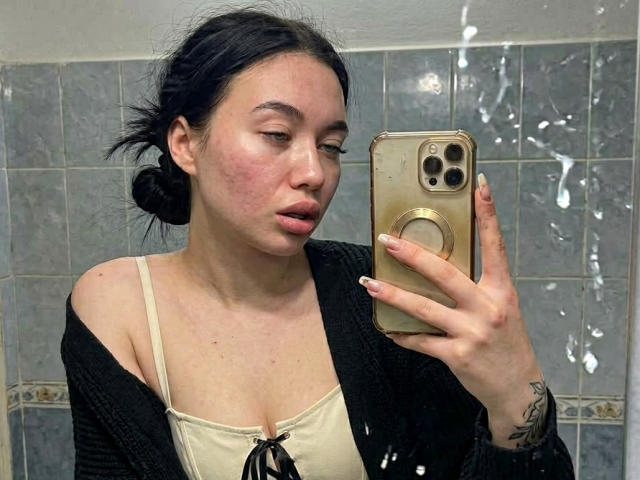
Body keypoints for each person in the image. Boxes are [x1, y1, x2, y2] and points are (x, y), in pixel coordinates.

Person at [60, 7, 575, 480]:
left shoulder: (383, 299)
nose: (315, 172)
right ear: (184, 143)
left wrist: (517, 402)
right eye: (277, 134)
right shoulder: (117, 307)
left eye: (331, 146)